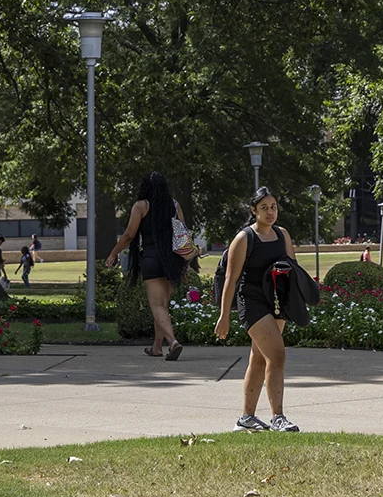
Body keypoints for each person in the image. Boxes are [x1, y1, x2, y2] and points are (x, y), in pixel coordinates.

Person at [213, 186, 300, 431]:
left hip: (276, 301)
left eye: (273, 207)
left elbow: (292, 269)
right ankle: (278, 417)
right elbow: (230, 279)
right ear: (254, 210)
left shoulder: (282, 235)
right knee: (277, 355)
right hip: (251, 301)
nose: (270, 212)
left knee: (260, 357)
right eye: (264, 208)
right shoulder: (244, 238)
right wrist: (224, 315)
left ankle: (246, 418)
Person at [107, 171, 199, 359]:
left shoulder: (141, 206)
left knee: (157, 306)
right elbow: (183, 235)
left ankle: (172, 342)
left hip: (152, 259)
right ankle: (157, 347)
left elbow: (129, 235)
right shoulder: (174, 205)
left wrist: (113, 253)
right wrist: (185, 264)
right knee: (162, 306)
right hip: (173, 261)